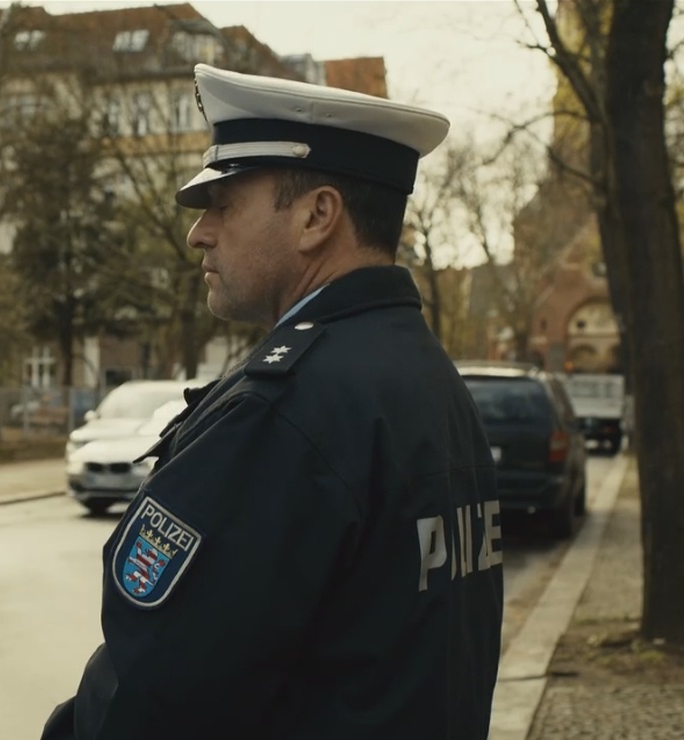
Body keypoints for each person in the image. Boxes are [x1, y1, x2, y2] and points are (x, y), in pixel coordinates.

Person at [40, 65, 503, 740]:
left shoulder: (288, 409)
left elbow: (158, 696)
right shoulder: (426, 377)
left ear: (317, 216)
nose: (199, 233)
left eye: (224, 203)